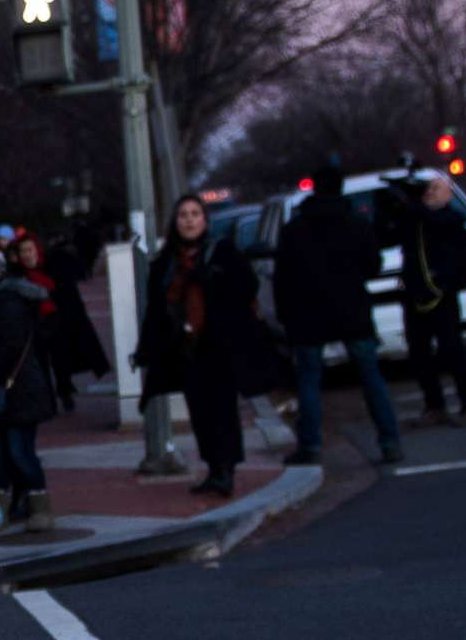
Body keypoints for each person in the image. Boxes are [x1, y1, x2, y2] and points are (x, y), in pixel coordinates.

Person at [141, 194, 273, 497]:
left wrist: (213, 279)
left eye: (194, 214)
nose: (189, 220)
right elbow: (157, 306)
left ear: (204, 219)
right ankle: (213, 468)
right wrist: (149, 345)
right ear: (175, 222)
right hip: (186, 346)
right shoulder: (167, 261)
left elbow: (246, 286)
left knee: (223, 409)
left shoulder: (222, 251)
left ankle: (226, 469)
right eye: (183, 215)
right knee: (199, 411)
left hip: (221, 343)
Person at [274, 166, 406, 466]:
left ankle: (310, 446)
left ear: (314, 188)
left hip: (308, 316)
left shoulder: (295, 230)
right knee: (371, 378)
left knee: (309, 381)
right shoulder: (356, 224)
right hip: (352, 311)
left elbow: (283, 277)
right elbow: (372, 265)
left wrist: (286, 317)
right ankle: (389, 442)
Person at [377, 172, 466, 426]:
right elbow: (387, 236)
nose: (430, 193)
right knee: (419, 353)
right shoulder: (413, 219)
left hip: (441, 294)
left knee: (452, 349)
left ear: (448, 194)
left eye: (436, 188)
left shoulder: (451, 219)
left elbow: (441, 223)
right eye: (427, 189)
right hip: (415, 295)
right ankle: (434, 405)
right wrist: (393, 209)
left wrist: (414, 207)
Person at [0, 244, 56, 525]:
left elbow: (6, 347)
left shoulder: (3, 301)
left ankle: (36, 505)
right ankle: (14, 506)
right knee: (4, 451)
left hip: (14, 388)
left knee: (16, 450)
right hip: (10, 388)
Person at [40, 229, 112, 412]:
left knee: (57, 357)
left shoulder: (47, 263)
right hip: (66, 312)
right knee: (63, 354)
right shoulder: (67, 258)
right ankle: (64, 390)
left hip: (55, 314)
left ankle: (62, 391)